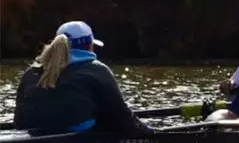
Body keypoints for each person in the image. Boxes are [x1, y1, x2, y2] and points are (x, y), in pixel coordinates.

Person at [13, 22, 148, 136]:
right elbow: (121, 117)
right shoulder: (96, 70)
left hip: (32, 135)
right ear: (89, 45)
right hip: (76, 137)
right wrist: (149, 134)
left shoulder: (32, 71)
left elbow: (18, 118)